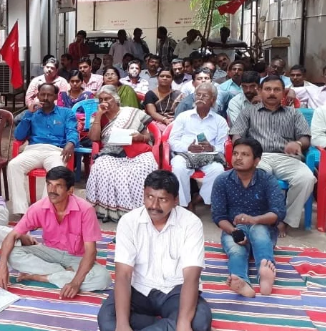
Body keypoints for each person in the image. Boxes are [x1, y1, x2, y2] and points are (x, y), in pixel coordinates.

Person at [97, 170, 212, 331]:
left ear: (175, 200)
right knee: (108, 318)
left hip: (175, 292)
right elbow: (123, 275)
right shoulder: (129, 222)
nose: (154, 206)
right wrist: (122, 325)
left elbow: (191, 277)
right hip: (138, 289)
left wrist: (183, 323)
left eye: (163, 199)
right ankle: (163, 325)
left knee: (198, 322)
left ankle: (162, 324)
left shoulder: (190, 223)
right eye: (150, 197)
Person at [0, 167, 111, 296]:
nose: (52, 190)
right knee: (11, 254)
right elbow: (12, 236)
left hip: (77, 258)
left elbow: (91, 251)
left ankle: (41, 277)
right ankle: (64, 273)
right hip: (49, 253)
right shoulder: (38, 208)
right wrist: (2, 265)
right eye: (49, 184)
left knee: (103, 279)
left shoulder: (86, 210)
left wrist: (76, 283)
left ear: (70, 190)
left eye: (58, 186)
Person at [229, 75, 315, 237]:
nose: (272, 93)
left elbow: (305, 137)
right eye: (267, 89)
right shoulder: (248, 112)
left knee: (306, 178)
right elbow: (236, 136)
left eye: (277, 90)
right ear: (260, 91)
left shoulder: (294, 114)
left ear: (284, 93)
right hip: (258, 157)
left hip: (287, 158)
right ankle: (260, 217)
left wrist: (297, 143)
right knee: (257, 175)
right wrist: (246, 149)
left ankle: (284, 220)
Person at [210, 138, 285, 299]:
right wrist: (234, 231)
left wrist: (254, 220)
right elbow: (218, 216)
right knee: (236, 249)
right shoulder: (222, 180)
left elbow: (278, 213)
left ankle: (265, 275)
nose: (238, 158)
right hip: (234, 228)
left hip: (262, 226)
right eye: (235, 153)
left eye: (245, 154)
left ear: (256, 161)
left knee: (259, 233)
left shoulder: (267, 180)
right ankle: (241, 281)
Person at [86, 86, 159, 222]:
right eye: (101, 99)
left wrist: (141, 137)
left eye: (107, 98)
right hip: (110, 153)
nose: (104, 102)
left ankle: (141, 210)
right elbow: (94, 138)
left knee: (144, 167)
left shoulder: (132, 113)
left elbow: (150, 135)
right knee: (100, 167)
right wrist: (99, 115)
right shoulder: (97, 116)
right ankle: (113, 211)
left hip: (136, 150)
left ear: (116, 99)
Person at [8, 83, 78, 215]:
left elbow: (72, 131)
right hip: (34, 149)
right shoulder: (31, 113)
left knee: (56, 171)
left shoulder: (66, 113)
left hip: (55, 151)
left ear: (56, 96)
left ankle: (44, 210)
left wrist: (71, 143)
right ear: (37, 95)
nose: (45, 98)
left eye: (49, 95)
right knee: (13, 165)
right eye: (42, 94)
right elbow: (19, 136)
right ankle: (22, 211)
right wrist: (29, 114)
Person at [169, 83, 228, 210]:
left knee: (218, 171)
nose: (200, 98)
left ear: (213, 99)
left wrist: (211, 148)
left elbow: (222, 146)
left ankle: (199, 198)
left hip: (209, 156)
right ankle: (185, 204)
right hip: (185, 154)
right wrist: (187, 148)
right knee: (178, 167)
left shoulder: (220, 121)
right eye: (198, 95)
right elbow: (172, 141)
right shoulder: (184, 116)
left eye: (205, 95)